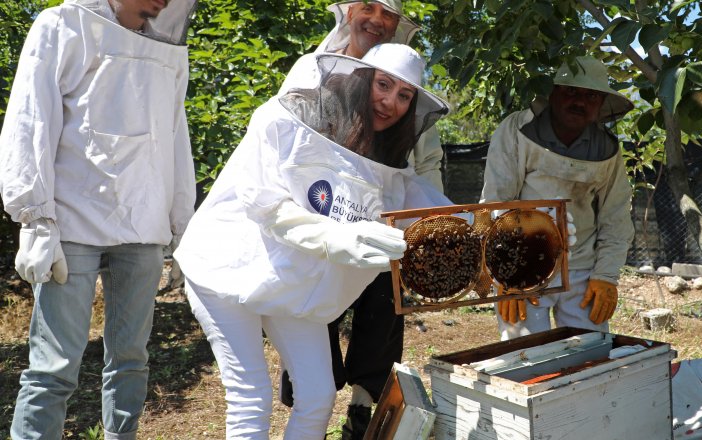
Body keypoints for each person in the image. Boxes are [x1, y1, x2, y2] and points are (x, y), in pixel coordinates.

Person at [173, 43, 450, 439]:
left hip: (288, 282)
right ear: (360, 81)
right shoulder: (285, 119)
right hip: (226, 270)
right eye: (383, 85)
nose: (390, 101)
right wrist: (335, 237)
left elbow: (435, 215)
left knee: (319, 395)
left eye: (404, 95)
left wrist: (502, 226)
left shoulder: (389, 166)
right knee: (251, 397)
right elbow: (264, 203)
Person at [0, 0, 198, 438]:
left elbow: (174, 136)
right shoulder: (62, 26)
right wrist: (34, 218)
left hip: (144, 228)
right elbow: (31, 119)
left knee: (131, 360)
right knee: (53, 368)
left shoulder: (165, 51)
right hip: (70, 224)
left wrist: (182, 223)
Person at [276, 3, 445, 437]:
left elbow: (422, 173)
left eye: (387, 13)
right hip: (319, 224)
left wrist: (440, 222)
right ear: (348, 11)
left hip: (380, 230)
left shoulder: (406, 88)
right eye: (367, 6)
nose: (376, 19)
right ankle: (312, 406)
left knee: (383, 312)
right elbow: (286, 157)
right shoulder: (311, 72)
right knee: (315, 317)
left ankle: (362, 408)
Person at [480, 55, 635, 340]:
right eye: (571, 91)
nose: (580, 102)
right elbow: (496, 204)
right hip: (524, 263)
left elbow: (616, 216)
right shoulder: (516, 130)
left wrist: (606, 276)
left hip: (583, 269)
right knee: (527, 355)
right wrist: (505, 272)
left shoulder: (607, 149)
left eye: (591, 95)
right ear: (553, 93)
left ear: (601, 104)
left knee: (588, 354)